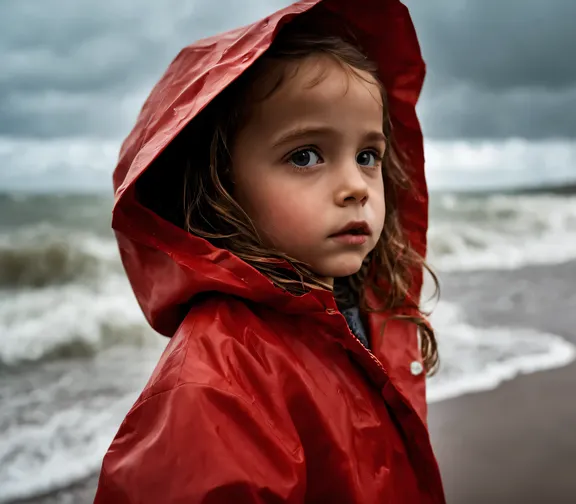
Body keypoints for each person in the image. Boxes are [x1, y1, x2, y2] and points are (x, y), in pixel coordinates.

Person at [94, 0, 445, 502]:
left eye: (368, 155)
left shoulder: (355, 314)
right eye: (305, 155)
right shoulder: (218, 382)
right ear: (220, 185)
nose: (356, 186)